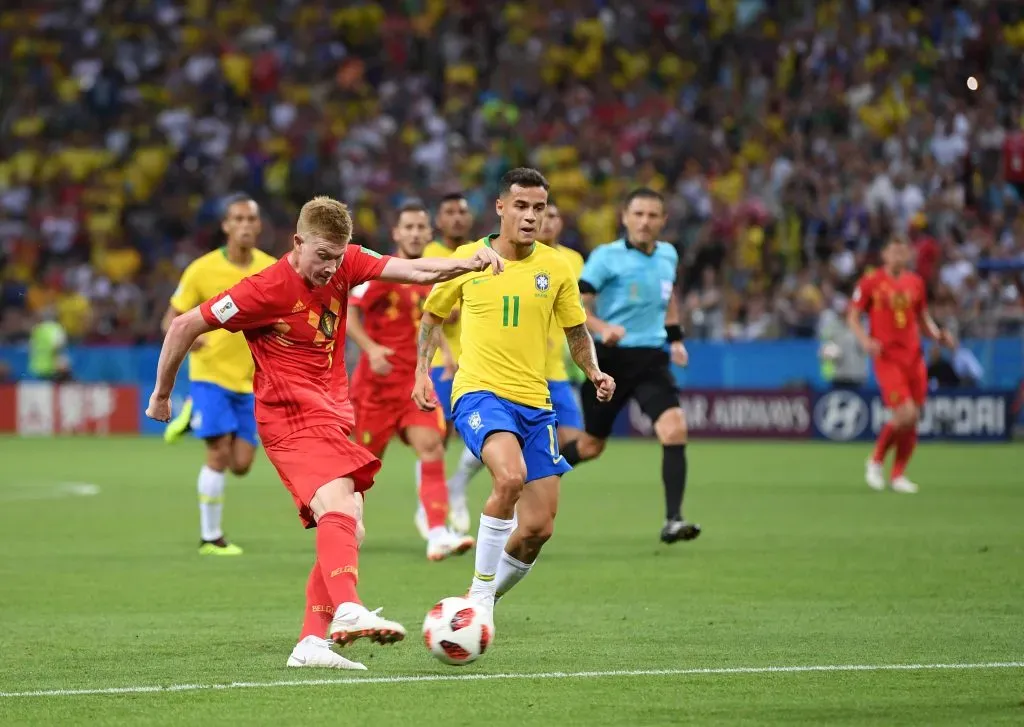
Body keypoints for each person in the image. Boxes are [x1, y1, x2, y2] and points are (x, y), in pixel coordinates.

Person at [146, 195, 504, 670]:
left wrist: (470, 260)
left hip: (333, 413)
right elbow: (185, 324)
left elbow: (417, 271)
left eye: (337, 256)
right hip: (288, 419)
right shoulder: (264, 289)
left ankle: (311, 642)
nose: (329, 267)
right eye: (321, 256)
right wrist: (162, 394)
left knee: (351, 520)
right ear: (297, 242)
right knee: (339, 506)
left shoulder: (346, 264)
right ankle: (349, 609)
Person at [413, 168, 615, 613]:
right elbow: (431, 318)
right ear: (501, 207)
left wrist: (594, 372)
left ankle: (479, 602)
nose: (530, 216)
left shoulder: (556, 267)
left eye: (538, 208)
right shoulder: (467, 260)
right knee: (509, 477)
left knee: (538, 529)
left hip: (536, 404)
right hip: (480, 393)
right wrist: (421, 373)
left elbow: (576, 331)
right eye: (521, 206)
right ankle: (480, 596)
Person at [561, 188, 701, 545]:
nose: (645, 221)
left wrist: (676, 338)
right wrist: (603, 328)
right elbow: (575, 308)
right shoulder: (605, 258)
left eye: (653, 215)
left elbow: (668, 299)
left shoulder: (668, 254)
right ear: (625, 217)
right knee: (591, 445)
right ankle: (536, 475)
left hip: (652, 358)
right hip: (610, 361)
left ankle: (674, 519)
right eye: (638, 214)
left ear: (663, 221)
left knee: (674, 430)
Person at [347, 201, 475, 561]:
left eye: (422, 227)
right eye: (409, 227)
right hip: (374, 388)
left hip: (415, 383)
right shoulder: (378, 271)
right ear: (397, 233)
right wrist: (371, 348)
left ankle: (437, 533)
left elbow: (432, 321)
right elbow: (350, 314)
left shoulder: (433, 276)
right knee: (361, 469)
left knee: (432, 447)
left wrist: (446, 352)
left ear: (429, 234)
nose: (416, 233)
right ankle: (342, 527)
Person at [444, 202, 586, 498]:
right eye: (523, 207)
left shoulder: (569, 262)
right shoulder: (487, 258)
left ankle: (524, 488)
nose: (541, 220)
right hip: (495, 376)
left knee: (576, 441)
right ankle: (470, 477)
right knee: (503, 455)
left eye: (548, 213)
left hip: (551, 372)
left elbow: (578, 317)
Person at [161, 195, 276, 556]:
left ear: (258, 226)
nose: (244, 225)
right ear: (226, 225)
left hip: (250, 381)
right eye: (237, 219)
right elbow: (171, 319)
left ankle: (193, 417)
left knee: (240, 464)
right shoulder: (202, 269)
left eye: (250, 219)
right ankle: (211, 538)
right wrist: (191, 342)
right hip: (209, 376)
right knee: (217, 456)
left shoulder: (272, 269)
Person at [848, 236, 955, 493]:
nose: (898, 256)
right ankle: (875, 461)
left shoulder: (915, 283)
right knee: (904, 413)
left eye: (902, 252)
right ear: (884, 255)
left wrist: (938, 334)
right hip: (887, 357)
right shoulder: (871, 281)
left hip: (914, 357)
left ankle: (898, 475)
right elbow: (852, 316)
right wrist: (865, 340)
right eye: (893, 251)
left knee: (914, 417)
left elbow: (922, 318)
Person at [416, 192, 475, 538]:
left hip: (476, 362)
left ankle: (455, 487)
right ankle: (429, 509)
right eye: (449, 212)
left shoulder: (479, 254)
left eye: (462, 212)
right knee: (435, 440)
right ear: (438, 221)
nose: (456, 218)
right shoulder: (429, 257)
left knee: (479, 438)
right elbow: (430, 314)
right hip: (441, 363)